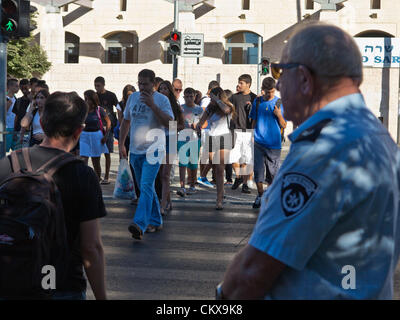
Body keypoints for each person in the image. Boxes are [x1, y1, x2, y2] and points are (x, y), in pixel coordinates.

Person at [216, 23, 400, 300]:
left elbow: (253, 271)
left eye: (280, 72)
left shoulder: (324, 148)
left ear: (304, 78)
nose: (277, 83)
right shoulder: (377, 136)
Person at [0, 91, 107, 300]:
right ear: (79, 131)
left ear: (42, 120)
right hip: (61, 285)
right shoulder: (82, 175)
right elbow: (91, 247)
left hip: (9, 281)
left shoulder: (7, 164)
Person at [119, 69, 174, 240]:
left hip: (154, 149)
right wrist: (121, 144)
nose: (142, 87)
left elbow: (170, 123)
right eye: (139, 83)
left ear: (153, 84)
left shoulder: (162, 99)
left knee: (146, 185)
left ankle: (140, 223)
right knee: (146, 187)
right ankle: (156, 220)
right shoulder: (133, 97)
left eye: (145, 84)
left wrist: (153, 106)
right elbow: (126, 121)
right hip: (136, 149)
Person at [249, 77, 286, 209]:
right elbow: (253, 120)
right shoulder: (257, 101)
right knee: (258, 172)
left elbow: (284, 124)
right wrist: (252, 135)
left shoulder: (279, 103)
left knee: (273, 174)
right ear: (262, 90)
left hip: (274, 145)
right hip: (258, 142)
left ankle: (268, 196)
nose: (270, 94)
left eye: (272, 91)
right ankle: (260, 195)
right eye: (267, 92)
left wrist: (278, 114)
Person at [196, 87, 235, 210]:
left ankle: (219, 199)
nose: (210, 99)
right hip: (212, 137)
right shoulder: (210, 108)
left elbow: (226, 110)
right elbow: (202, 122)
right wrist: (198, 126)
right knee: (215, 166)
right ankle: (221, 192)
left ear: (218, 96)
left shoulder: (227, 105)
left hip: (224, 137)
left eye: (212, 96)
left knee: (220, 168)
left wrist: (217, 100)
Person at [158, 80, 184, 213]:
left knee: (166, 174)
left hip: (171, 138)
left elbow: (182, 125)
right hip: (158, 138)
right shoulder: (157, 104)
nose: (163, 91)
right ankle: (168, 200)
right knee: (161, 174)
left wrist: (171, 126)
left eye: (165, 89)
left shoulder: (176, 106)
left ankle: (163, 205)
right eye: (161, 89)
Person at [229, 74, 257, 194]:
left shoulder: (254, 97)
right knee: (233, 158)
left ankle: (245, 183)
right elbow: (227, 107)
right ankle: (239, 177)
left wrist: (254, 132)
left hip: (249, 131)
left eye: (241, 83)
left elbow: (257, 115)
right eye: (238, 83)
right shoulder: (234, 97)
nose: (239, 85)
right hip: (236, 130)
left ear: (248, 84)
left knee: (246, 159)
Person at [176, 87, 203, 197]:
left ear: (195, 96)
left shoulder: (199, 109)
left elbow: (204, 124)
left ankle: (192, 184)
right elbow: (175, 123)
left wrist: (198, 126)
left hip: (194, 138)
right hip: (182, 138)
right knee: (182, 163)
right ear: (184, 97)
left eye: (191, 96)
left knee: (193, 163)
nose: (189, 99)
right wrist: (180, 127)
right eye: (186, 96)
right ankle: (182, 187)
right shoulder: (180, 108)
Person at [116, 85, 140, 202]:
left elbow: (173, 124)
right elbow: (122, 121)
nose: (130, 97)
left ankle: (165, 199)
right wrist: (121, 144)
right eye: (128, 95)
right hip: (128, 134)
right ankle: (133, 191)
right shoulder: (122, 104)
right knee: (130, 163)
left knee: (165, 174)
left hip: (164, 139)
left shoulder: (164, 103)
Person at [80, 90, 112, 181]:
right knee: (83, 159)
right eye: (84, 98)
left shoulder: (99, 110)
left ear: (92, 100)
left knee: (95, 161)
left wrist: (106, 136)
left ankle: (98, 179)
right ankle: (84, 180)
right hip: (84, 136)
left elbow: (108, 122)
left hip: (96, 136)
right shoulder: (83, 110)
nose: (85, 101)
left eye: (87, 99)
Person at [94, 76, 119, 185]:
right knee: (96, 153)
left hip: (108, 126)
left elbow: (118, 107)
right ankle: (97, 175)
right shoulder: (95, 96)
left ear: (103, 85)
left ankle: (107, 175)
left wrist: (117, 122)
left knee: (107, 152)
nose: (97, 88)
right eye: (95, 86)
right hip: (97, 126)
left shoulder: (111, 95)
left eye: (98, 86)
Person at [197, 80, 220, 188]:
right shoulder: (207, 101)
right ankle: (203, 176)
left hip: (210, 131)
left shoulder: (208, 101)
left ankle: (208, 177)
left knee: (211, 156)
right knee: (208, 156)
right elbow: (204, 116)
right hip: (207, 131)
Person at [5, 78, 19, 152]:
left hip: (13, 128)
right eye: (16, 86)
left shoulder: (15, 99)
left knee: (16, 151)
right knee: (4, 151)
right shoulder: (4, 98)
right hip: (6, 128)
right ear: (10, 87)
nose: (18, 88)